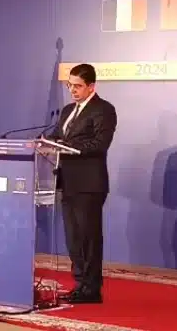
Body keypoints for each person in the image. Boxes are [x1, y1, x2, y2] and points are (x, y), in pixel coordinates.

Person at [45, 63, 116, 304]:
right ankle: (79, 284)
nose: (73, 90)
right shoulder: (67, 110)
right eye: (70, 85)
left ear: (91, 87)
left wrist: (67, 147)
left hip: (89, 184)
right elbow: (56, 136)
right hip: (68, 182)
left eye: (78, 86)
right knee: (73, 237)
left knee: (88, 237)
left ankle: (92, 289)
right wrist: (46, 142)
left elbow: (100, 144)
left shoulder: (103, 110)